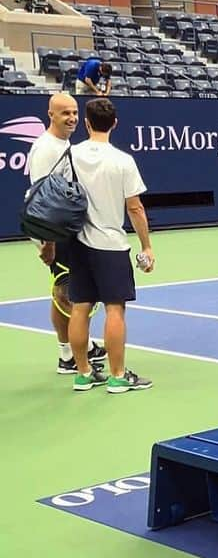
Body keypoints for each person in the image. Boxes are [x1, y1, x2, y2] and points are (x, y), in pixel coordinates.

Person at [65, 97, 154, 393]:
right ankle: (117, 376)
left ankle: (83, 373)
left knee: (80, 307)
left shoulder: (70, 155)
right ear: (115, 123)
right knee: (114, 309)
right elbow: (135, 208)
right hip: (110, 245)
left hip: (76, 243)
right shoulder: (122, 160)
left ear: (87, 123)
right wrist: (147, 246)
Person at [27, 92, 107, 375]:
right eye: (65, 113)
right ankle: (71, 356)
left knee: (65, 291)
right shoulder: (46, 148)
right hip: (55, 231)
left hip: (64, 229)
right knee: (65, 293)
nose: (72, 118)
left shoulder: (63, 143)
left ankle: (73, 351)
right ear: (51, 115)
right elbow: (43, 199)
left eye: (74, 112)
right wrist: (47, 243)